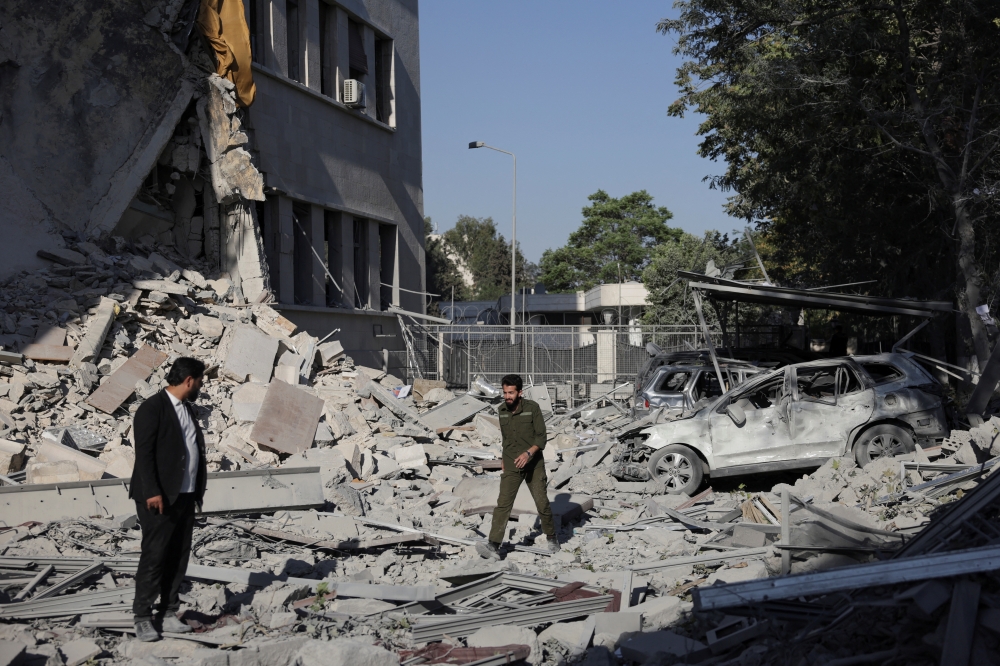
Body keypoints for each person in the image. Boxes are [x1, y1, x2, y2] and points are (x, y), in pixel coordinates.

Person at [129, 357, 207, 642]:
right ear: (189, 380)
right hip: (158, 498)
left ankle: (169, 612)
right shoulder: (152, 409)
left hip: (184, 496)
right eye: (200, 381)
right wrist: (152, 491)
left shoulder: (187, 410)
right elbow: (144, 454)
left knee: (178, 554)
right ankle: (142, 616)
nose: (201, 386)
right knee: (155, 555)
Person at [476, 374, 559, 560]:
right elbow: (506, 438)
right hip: (512, 462)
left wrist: (528, 453)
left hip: (533, 463)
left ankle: (552, 537)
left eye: (511, 393)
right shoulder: (501, 410)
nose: (507, 396)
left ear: (520, 392)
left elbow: (541, 438)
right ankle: (493, 545)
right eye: (505, 392)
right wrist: (504, 459)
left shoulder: (533, 409)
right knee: (503, 504)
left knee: (542, 502)